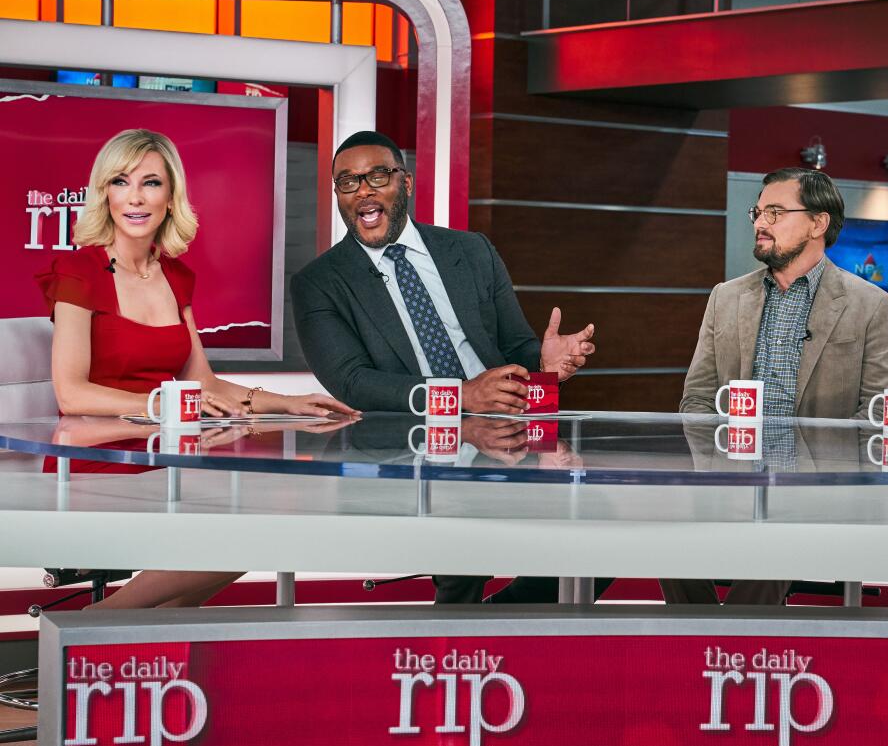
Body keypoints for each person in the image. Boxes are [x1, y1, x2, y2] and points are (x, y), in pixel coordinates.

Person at [36, 128, 357, 610]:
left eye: (151, 183)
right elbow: (72, 394)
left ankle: (131, 652)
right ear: (105, 193)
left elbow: (201, 382)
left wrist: (291, 403)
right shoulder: (78, 272)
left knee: (285, 510)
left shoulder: (175, 275)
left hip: (167, 458)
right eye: (122, 182)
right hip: (97, 466)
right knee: (252, 521)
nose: (136, 198)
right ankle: (87, 626)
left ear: (171, 196)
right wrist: (161, 403)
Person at [291, 130, 597, 604]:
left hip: (511, 434)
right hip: (414, 452)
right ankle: (458, 646)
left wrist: (544, 362)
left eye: (377, 175)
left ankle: (503, 624)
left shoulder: (471, 250)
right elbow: (352, 382)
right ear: (337, 195)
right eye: (348, 182)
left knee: (606, 531)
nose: (364, 191)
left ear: (406, 183)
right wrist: (460, 397)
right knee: (462, 553)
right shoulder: (319, 283)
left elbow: (515, 346)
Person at [663, 167, 888, 606]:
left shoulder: (871, 305)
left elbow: (879, 414)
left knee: (782, 539)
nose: (759, 222)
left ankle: (726, 646)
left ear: (818, 223)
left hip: (817, 488)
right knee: (662, 533)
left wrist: (817, 478)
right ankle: (698, 633)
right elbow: (697, 399)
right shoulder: (726, 297)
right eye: (758, 211)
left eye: (775, 212)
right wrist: (714, 470)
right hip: (730, 479)